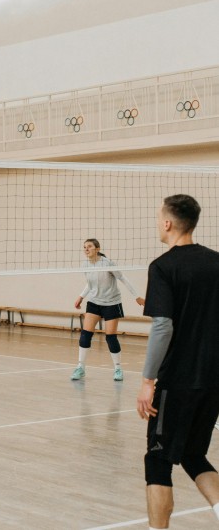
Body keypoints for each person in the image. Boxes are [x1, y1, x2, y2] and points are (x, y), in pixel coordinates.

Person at [137, 195, 219, 529]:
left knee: (158, 461)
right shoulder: (217, 262)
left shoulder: (163, 267)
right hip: (213, 379)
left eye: (159, 217)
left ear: (168, 223)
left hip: (178, 381)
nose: (158, 222)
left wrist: (147, 381)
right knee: (192, 453)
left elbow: (162, 326)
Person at [71, 238, 145, 381]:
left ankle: (118, 369)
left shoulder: (107, 263)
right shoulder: (85, 264)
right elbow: (90, 284)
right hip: (94, 302)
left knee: (110, 336)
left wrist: (137, 297)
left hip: (112, 302)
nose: (86, 249)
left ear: (97, 249)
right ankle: (81, 367)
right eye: (84, 247)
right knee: (85, 334)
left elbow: (123, 278)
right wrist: (81, 296)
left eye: (89, 247)